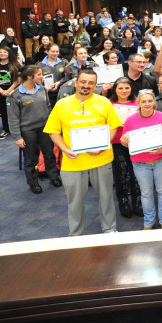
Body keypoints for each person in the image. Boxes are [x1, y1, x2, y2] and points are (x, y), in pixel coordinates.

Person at [44, 69, 123, 236]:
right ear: (76, 82)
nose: (86, 86)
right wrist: (65, 149)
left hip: (101, 160)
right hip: (73, 162)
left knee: (106, 198)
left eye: (91, 83)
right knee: (75, 202)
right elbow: (53, 131)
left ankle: (109, 228)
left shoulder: (104, 102)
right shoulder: (62, 104)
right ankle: (76, 234)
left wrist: (102, 146)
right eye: (83, 82)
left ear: (95, 85)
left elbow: (114, 127)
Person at [120, 89, 162, 230]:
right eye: (144, 101)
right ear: (138, 103)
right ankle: (148, 222)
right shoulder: (130, 120)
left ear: (154, 102)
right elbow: (125, 143)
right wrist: (124, 141)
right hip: (140, 163)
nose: (147, 104)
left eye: (150, 101)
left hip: (161, 160)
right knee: (146, 193)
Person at [8, 65, 62, 194]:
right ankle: (33, 182)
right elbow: (13, 118)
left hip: (44, 128)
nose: (42, 76)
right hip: (28, 130)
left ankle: (54, 176)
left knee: (49, 154)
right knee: (31, 159)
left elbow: (48, 108)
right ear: (29, 77)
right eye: (39, 74)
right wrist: (18, 137)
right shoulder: (15, 95)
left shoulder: (42, 89)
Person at [106, 78, 141, 218]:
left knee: (136, 174)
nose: (124, 91)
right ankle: (123, 201)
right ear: (115, 89)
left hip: (136, 142)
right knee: (120, 173)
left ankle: (137, 201)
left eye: (127, 88)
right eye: (120, 88)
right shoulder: (109, 103)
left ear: (131, 89)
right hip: (116, 142)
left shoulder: (138, 102)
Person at [0, 47, 20, 139]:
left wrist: (8, 91)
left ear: (9, 53)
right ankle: (5, 130)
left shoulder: (15, 65)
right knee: (3, 111)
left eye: (4, 52)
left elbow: (18, 80)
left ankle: (16, 129)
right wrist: (0, 90)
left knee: (15, 110)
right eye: (0, 52)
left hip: (12, 91)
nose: (2, 54)